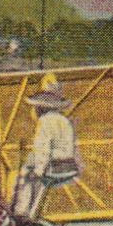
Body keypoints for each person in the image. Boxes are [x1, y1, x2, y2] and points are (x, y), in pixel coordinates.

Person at [12, 74, 82, 218]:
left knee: (25, 176)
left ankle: (22, 212)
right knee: (33, 174)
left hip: (53, 168)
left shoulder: (44, 122)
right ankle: (31, 212)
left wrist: (37, 170)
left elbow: (43, 150)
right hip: (69, 167)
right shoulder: (64, 121)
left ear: (40, 108)